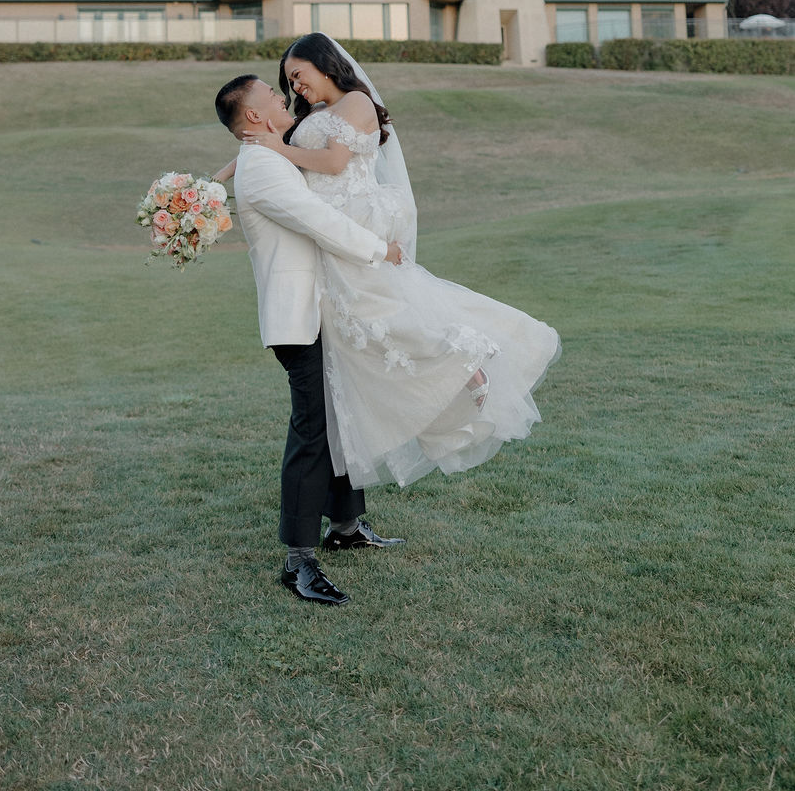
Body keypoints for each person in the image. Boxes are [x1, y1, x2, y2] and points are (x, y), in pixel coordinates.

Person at [237, 33, 560, 492]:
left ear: (324, 65)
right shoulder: (314, 116)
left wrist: (276, 149)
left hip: (355, 224)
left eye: (298, 76)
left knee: (380, 313)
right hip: (333, 235)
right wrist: (234, 166)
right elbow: (275, 150)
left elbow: (331, 162)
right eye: (287, 81)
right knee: (365, 331)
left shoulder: (356, 103)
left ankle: (467, 354)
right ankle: (443, 369)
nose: (294, 88)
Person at [214, 74, 406, 607]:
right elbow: (317, 220)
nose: (284, 98)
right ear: (254, 117)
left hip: (323, 306)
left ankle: (345, 525)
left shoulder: (271, 153)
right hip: (297, 318)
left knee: (339, 415)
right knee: (313, 428)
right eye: (273, 97)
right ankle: (298, 560)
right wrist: (378, 250)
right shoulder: (262, 167)